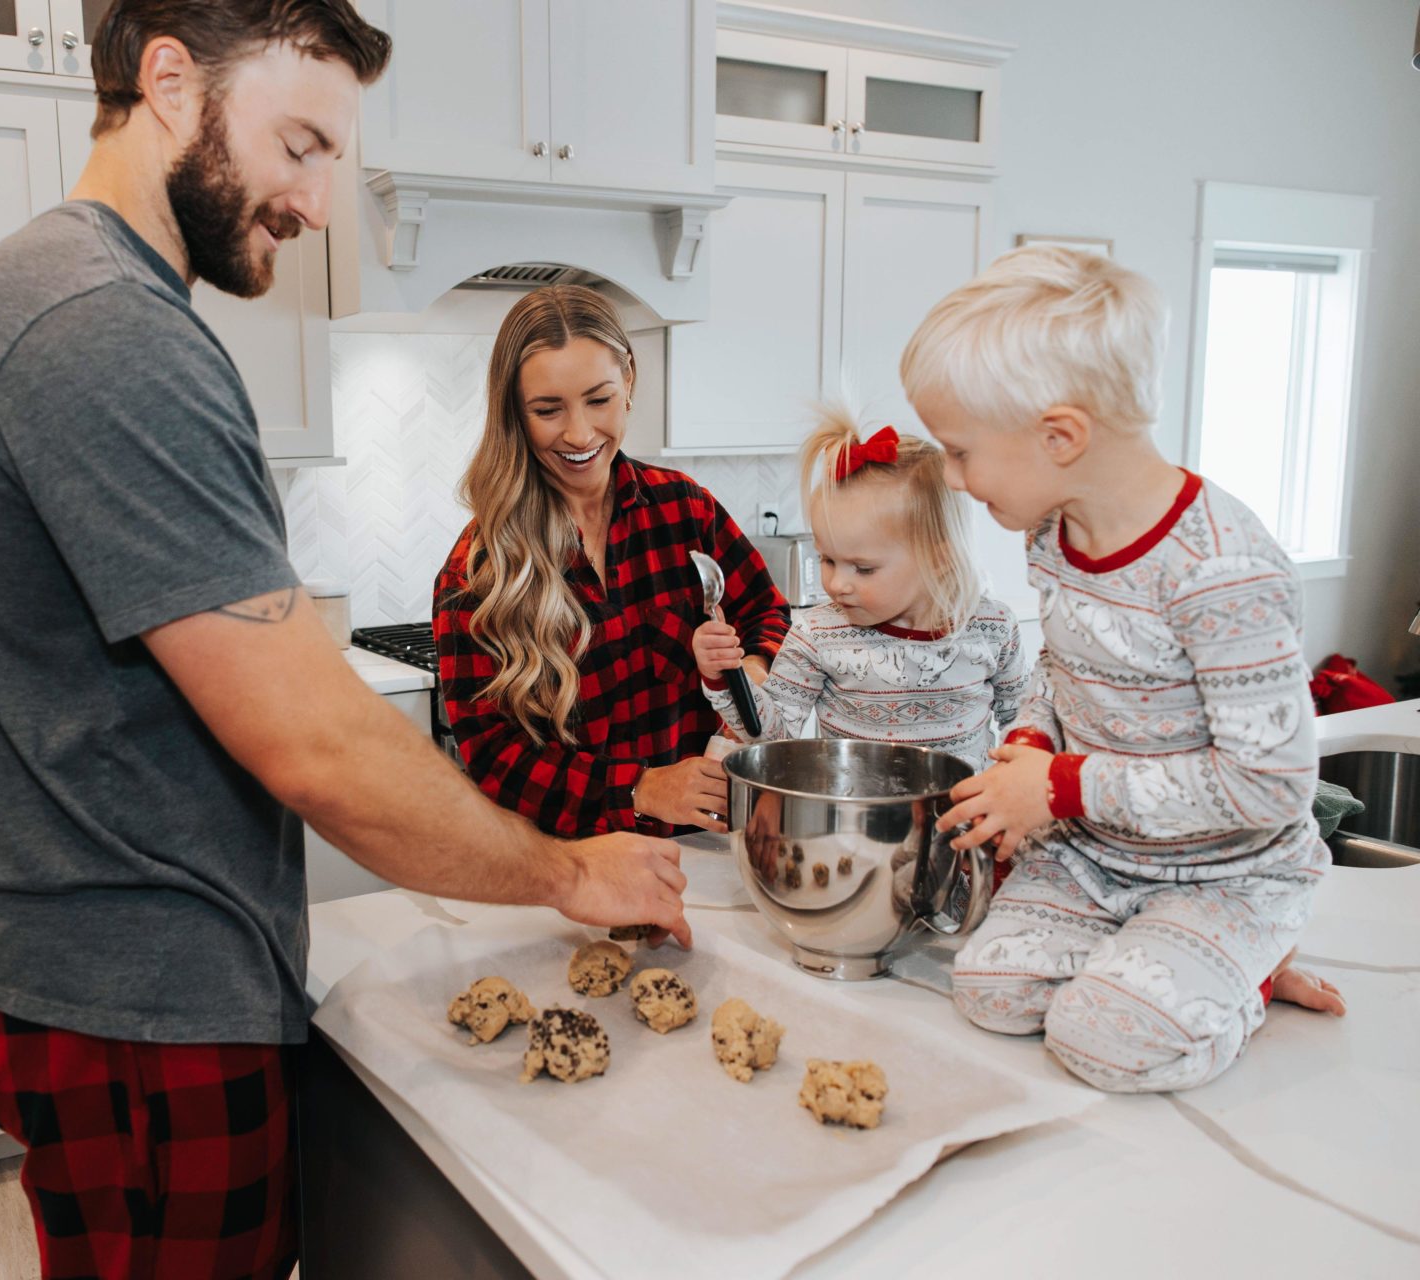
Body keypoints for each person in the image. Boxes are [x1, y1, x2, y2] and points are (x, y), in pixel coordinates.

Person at [0, 5, 689, 1276]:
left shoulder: (61, 295)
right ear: (171, 80)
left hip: (122, 992)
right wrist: (568, 871)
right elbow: (315, 744)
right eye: (302, 143)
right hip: (142, 1002)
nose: (319, 203)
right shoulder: (101, 327)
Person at [902, 245, 1341, 1094]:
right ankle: (1167, 961)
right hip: (1095, 857)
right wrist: (1030, 743)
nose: (953, 480)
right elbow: (1062, 672)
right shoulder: (1050, 534)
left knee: (1100, 1042)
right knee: (989, 991)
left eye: (960, 453)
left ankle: (1248, 964)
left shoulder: (1221, 572)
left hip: (1230, 871)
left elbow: (1270, 787)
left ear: (1059, 436)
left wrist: (1061, 788)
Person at [433, 285, 790, 838]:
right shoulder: (479, 571)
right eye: (548, 410)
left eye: (598, 400)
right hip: (568, 868)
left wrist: (747, 678)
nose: (579, 434)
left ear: (629, 382)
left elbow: (769, 613)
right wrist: (639, 789)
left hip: (704, 849)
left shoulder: (685, 509)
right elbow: (493, 757)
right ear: (515, 415)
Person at [692, 405, 1029, 771]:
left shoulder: (993, 628)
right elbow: (769, 734)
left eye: (863, 569)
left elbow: (1022, 724)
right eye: (827, 560)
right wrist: (726, 676)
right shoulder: (818, 633)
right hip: (850, 823)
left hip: (960, 822)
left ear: (939, 559)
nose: (837, 584)